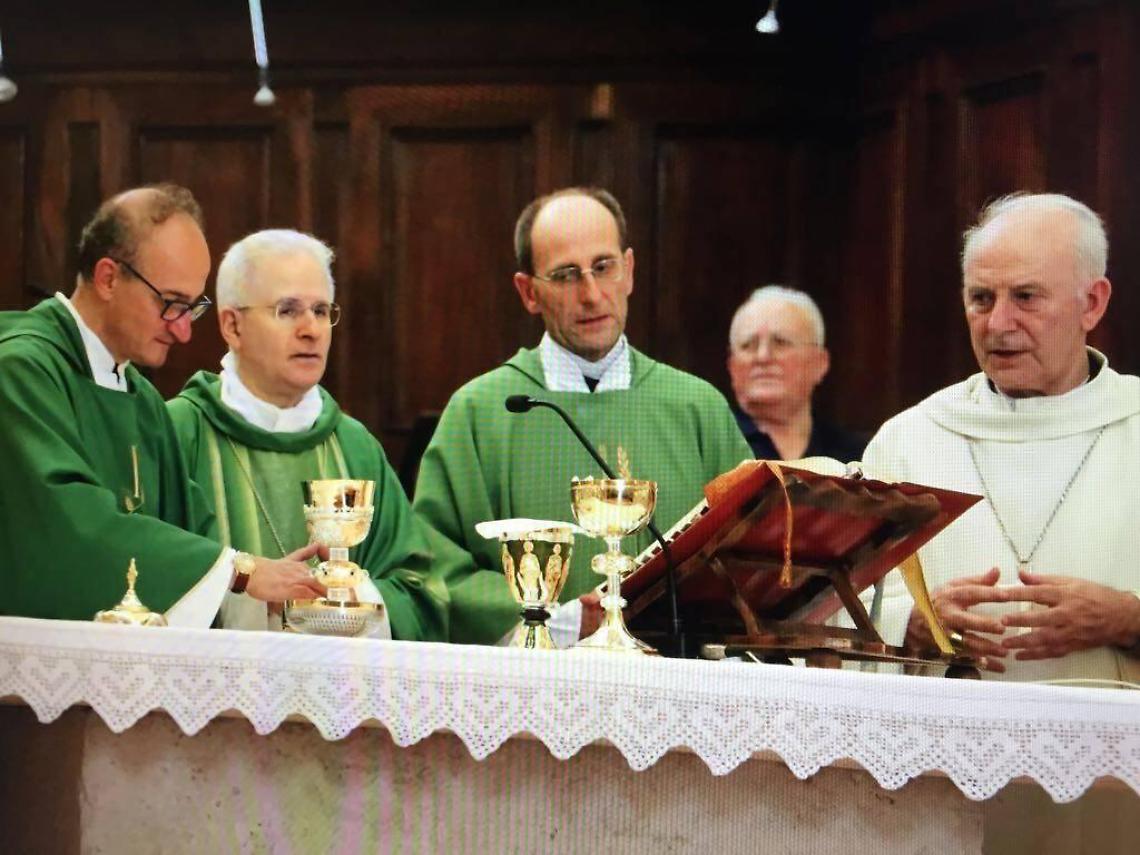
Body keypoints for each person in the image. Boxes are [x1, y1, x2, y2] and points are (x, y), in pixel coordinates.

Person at [413, 187, 751, 645]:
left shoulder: (697, 408)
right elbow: (434, 572)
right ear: (528, 292)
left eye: (604, 267)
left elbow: (748, 559)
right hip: (532, 698)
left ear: (629, 271)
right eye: (566, 275)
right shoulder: (480, 413)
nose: (591, 294)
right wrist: (552, 619)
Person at [0, 185, 325, 623]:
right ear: (108, 278)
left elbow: (191, 531)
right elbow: (70, 533)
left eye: (192, 308)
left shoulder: (141, 398)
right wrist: (240, 571)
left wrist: (272, 582)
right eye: (171, 304)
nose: (183, 332)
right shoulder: (21, 371)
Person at [864, 192, 1140, 681]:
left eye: (1026, 297)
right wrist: (911, 622)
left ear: (1092, 304)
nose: (998, 324)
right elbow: (840, 605)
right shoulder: (909, 440)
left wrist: (1127, 619)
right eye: (981, 299)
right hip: (943, 746)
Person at [166, 229, 448, 640]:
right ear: (232, 326)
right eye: (287, 310)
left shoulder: (355, 447)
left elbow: (420, 590)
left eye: (321, 310)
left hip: (343, 697)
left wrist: (347, 602)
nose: (311, 330)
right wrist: (248, 598)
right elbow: (141, 577)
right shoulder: (178, 434)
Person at [727, 285, 865, 462]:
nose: (763, 357)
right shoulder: (710, 446)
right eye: (748, 345)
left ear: (820, 363)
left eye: (781, 343)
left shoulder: (856, 458)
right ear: (731, 365)